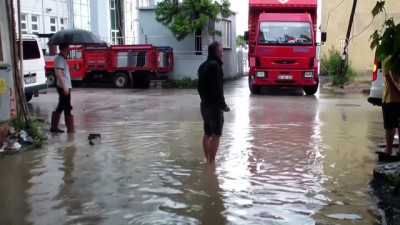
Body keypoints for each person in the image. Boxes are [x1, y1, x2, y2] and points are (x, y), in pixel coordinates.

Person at [197, 41, 230, 164]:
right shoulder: (216, 66)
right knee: (216, 135)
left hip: (204, 104)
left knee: (207, 133)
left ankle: (207, 160)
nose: (223, 53)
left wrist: (204, 99)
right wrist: (223, 105)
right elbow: (218, 88)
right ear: (216, 52)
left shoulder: (202, 66)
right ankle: (212, 163)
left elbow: (199, 86)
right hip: (214, 106)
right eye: (222, 51)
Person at [50, 44, 76, 133]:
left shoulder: (62, 59)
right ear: (64, 48)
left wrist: (73, 68)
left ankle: (54, 127)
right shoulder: (60, 59)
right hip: (63, 87)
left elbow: (65, 72)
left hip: (64, 86)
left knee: (61, 106)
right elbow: (59, 73)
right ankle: (70, 130)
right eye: (68, 48)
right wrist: (65, 87)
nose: (69, 50)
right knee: (67, 107)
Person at [380, 55, 400, 156]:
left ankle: (388, 149)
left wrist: (398, 92)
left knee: (390, 125)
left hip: (390, 97)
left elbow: (388, 77)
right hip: (394, 97)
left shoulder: (386, 56)